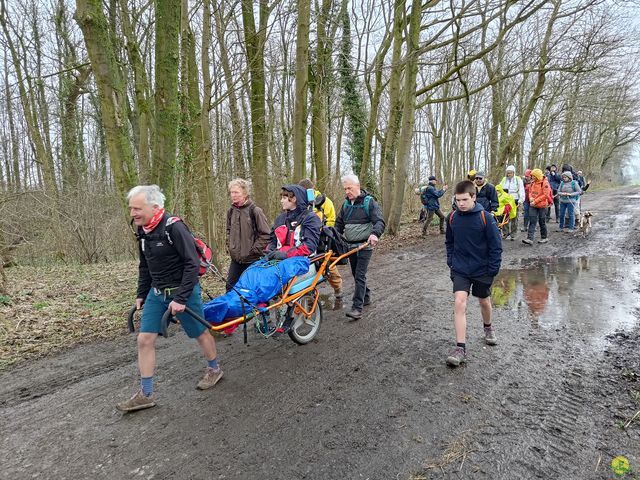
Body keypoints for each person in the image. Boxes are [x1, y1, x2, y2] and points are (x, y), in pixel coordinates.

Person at [118, 185, 223, 413]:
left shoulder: (174, 227)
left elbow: (192, 264)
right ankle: (146, 394)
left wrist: (182, 298)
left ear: (155, 206)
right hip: (157, 293)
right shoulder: (143, 231)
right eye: (131, 209)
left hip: (184, 291)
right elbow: (145, 266)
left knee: (200, 333)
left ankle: (214, 369)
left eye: (137, 208)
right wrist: (140, 293)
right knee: (144, 339)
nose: (133, 213)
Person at [445, 180, 502, 367]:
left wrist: (492, 270)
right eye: (457, 200)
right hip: (461, 268)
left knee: (484, 301)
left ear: (473, 197)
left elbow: (496, 247)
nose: (460, 203)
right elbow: (449, 242)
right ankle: (460, 348)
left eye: (464, 199)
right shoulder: (452, 218)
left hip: (482, 269)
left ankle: (488, 327)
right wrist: (451, 261)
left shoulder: (486, 218)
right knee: (459, 302)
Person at [335, 174, 385, 320]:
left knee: (359, 275)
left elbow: (379, 221)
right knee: (356, 273)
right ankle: (366, 296)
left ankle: (357, 307)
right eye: (345, 189)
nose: (347, 191)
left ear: (357, 186)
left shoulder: (369, 202)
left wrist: (375, 234)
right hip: (350, 246)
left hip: (365, 246)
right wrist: (334, 237)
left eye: (349, 188)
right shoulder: (345, 205)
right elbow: (339, 224)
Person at [299, 178, 343, 298]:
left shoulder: (324, 202)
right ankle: (309, 292)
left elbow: (331, 219)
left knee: (327, 264)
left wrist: (324, 232)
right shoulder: (300, 203)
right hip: (305, 238)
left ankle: (338, 287)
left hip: (322, 238)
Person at [226, 178, 271, 291]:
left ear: (245, 193)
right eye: (231, 192)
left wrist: (253, 250)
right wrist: (230, 247)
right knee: (230, 288)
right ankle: (235, 309)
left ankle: (262, 309)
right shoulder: (231, 211)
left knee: (254, 289)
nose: (233, 195)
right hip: (236, 260)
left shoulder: (255, 211)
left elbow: (266, 234)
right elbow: (229, 231)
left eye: (236, 192)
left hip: (252, 259)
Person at [265, 184, 322, 260]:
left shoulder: (311, 218)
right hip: (279, 260)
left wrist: (286, 255)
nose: (281, 201)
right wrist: (269, 252)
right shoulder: (280, 219)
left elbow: (309, 246)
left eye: (284, 198)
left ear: (294, 199)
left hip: (304, 261)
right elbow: (272, 241)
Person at [522, 169, 551, 245]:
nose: (532, 177)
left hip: (542, 205)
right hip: (533, 205)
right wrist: (530, 198)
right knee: (532, 221)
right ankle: (529, 239)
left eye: (533, 176)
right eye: (532, 176)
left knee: (542, 222)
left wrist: (535, 201)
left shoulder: (545, 183)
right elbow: (530, 192)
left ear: (537, 176)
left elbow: (546, 195)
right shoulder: (532, 183)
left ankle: (544, 238)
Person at [499, 165, 525, 236]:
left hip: (515, 199)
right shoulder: (504, 179)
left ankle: (513, 233)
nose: (509, 174)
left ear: (514, 173)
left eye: (510, 173)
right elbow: (499, 188)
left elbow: (521, 190)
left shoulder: (518, 179)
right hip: (505, 200)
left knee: (514, 217)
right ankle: (505, 233)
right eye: (508, 173)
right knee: (505, 216)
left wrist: (521, 200)